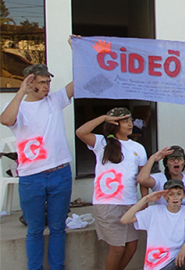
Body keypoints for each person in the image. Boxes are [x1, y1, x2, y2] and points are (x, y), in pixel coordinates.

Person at [0, 64, 74, 270]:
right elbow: (5, 120)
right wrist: (21, 91)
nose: (47, 86)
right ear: (29, 82)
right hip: (31, 177)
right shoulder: (18, 106)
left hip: (60, 173)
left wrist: (76, 49)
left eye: (48, 82)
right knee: (35, 229)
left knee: (58, 227)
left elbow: (78, 84)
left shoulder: (55, 100)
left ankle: (57, 267)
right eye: (42, 82)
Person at [76, 107, 148, 270]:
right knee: (117, 248)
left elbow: (142, 178)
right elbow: (81, 132)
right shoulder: (102, 142)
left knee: (131, 247)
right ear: (114, 124)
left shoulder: (138, 148)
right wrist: (103, 117)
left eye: (130, 120)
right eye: (124, 121)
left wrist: (144, 200)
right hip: (106, 203)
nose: (130, 124)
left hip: (129, 203)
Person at [121, 179, 185, 270]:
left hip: (177, 260)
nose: (175, 197)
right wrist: (146, 199)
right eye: (171, 194)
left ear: (184, 195)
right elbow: (125, 219)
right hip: (158, 266)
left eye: (179, 194)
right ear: (165, 197)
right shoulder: (154, 211)